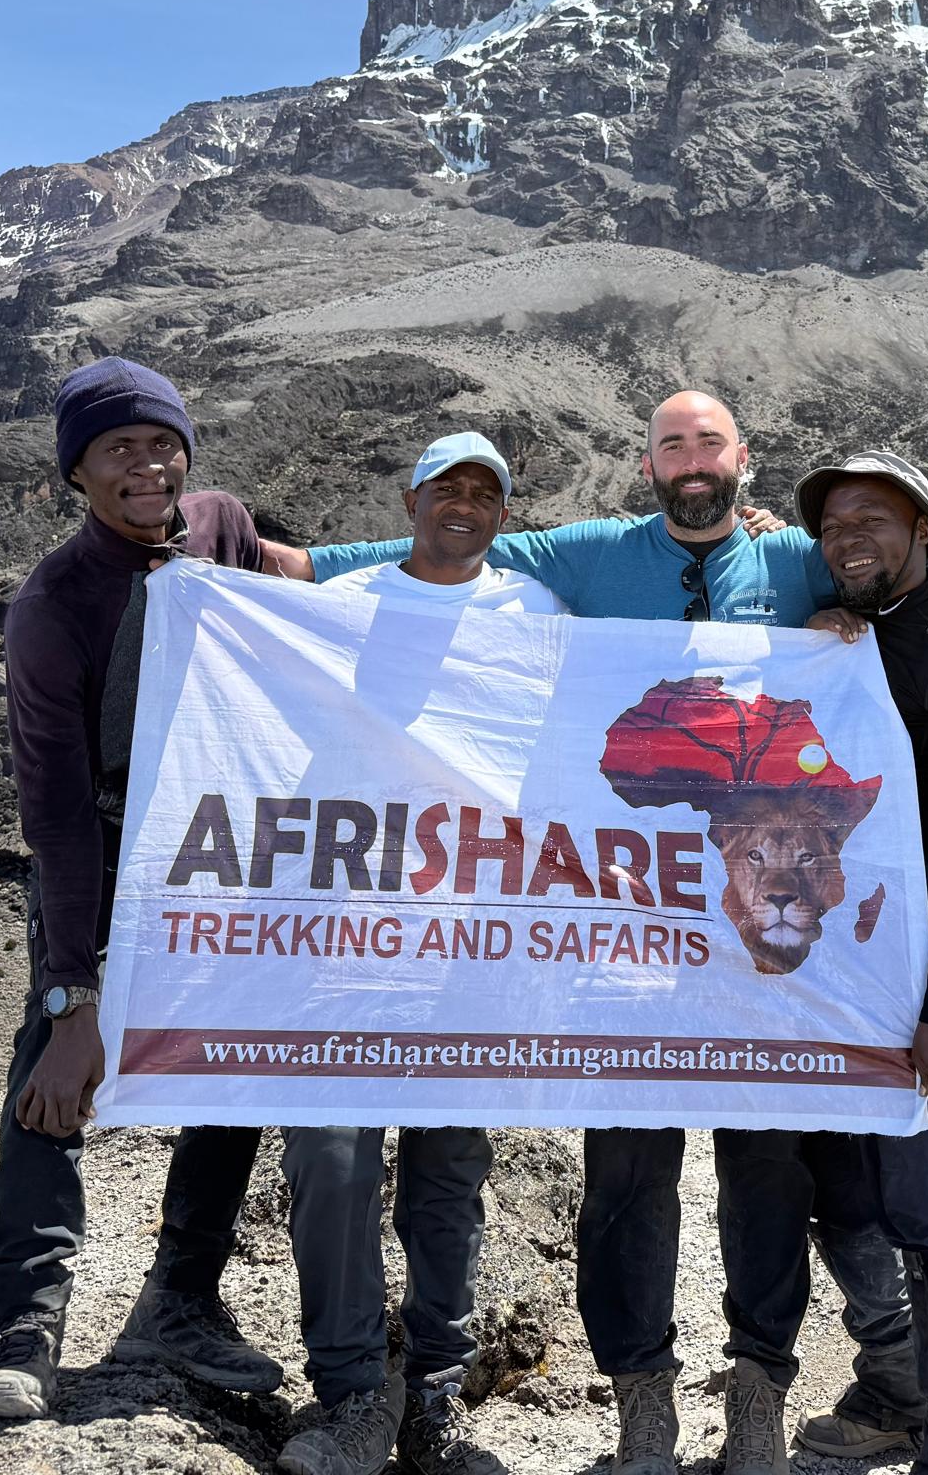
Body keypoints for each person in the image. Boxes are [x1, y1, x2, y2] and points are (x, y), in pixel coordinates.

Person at [261, 392, 928, 1475]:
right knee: (625, 1168)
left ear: (739, 458)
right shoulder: (592, 553)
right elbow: (445, 536)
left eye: (708, 442)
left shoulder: (802, 559)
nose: (692, 461)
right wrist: (284, 560)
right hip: (630, 924)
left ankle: (758, 1403)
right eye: (673, 445)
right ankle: (645, 1414)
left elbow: (914, 571)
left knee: (767, 1164)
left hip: (758, 932)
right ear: (647, 463)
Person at [0, 358, 290, 1421]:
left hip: (219, 856)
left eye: (160, 443)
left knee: (232, 1071)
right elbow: (50, 814)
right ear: (77, 473)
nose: (145, 465)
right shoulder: (53, 606)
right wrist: (75, 995)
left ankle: (179, 1300)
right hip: (99, 858)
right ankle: (23, 1325)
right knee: (52, 1087)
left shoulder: (221, 524)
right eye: (116, 450)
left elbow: (308, 578)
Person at [714, 450, 928, 1475]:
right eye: (833, 524)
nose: (850, 538)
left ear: (923, 531)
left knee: (927, 1206)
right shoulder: (855, 638)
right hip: (848, 965)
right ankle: (893, 1390)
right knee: (847, 1194)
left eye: (874, 520)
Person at [282, 432, 560, 1475]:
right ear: (409, 501)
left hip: (475, 939)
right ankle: (353, 1395)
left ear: (502, 512)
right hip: (350, 930)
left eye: (486, 492)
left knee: (448, 1174)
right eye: (448, 487)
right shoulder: (348, 604)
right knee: (333, 1160)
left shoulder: (534, 611)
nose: (466, 505)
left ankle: (433, 1399)